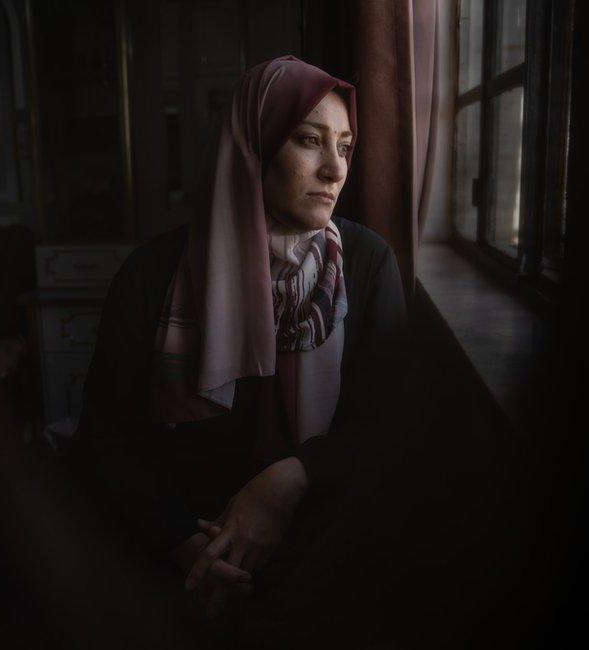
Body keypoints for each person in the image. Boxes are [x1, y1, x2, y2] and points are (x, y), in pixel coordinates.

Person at [69, 55, 407, 645]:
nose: (335, 170)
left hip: (324, 540)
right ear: (254, 146)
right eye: (309, 140)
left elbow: (391, 424)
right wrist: (192, 552)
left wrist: (289, 480)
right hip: (180, 546)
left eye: (346, 147)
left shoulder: (369, 263)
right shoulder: (153, 273)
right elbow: (106, 440)